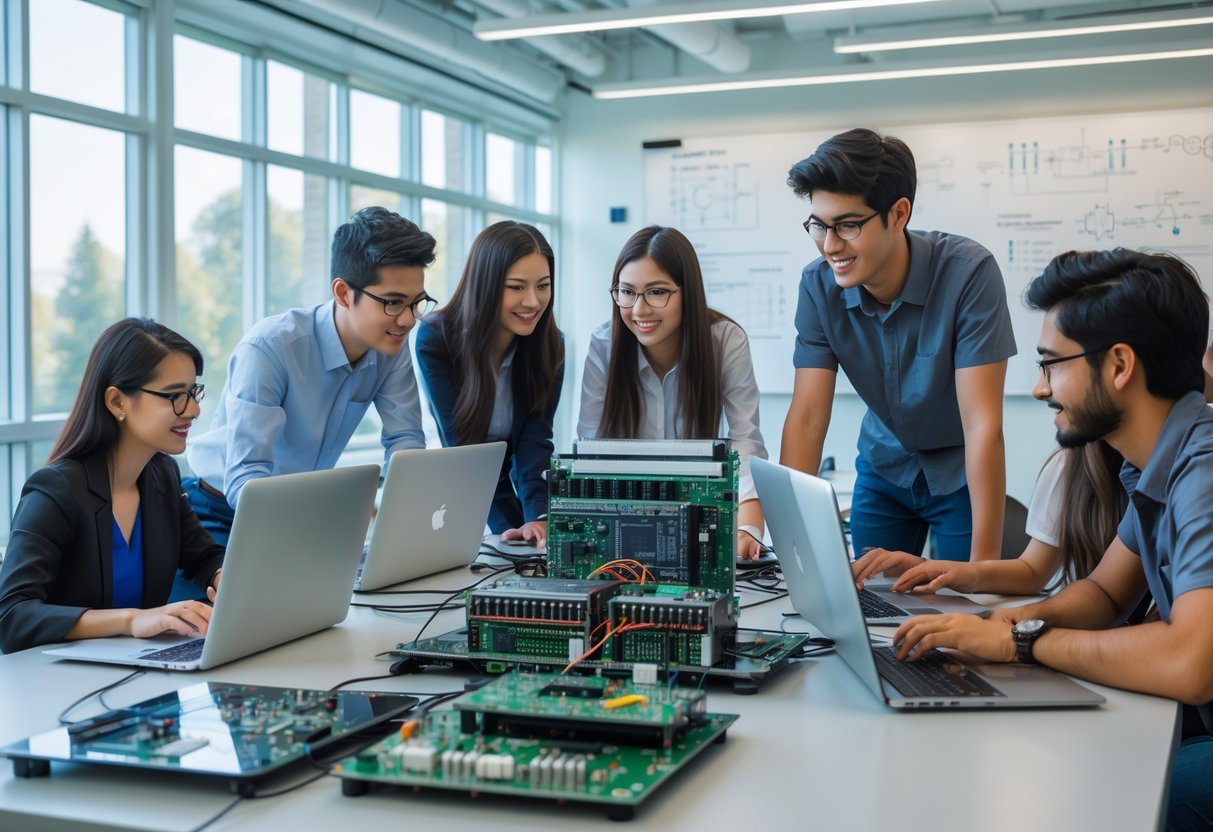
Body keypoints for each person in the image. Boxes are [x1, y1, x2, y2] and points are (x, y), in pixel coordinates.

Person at [887, 248, 1213, 832]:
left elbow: (1190, 664)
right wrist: (1001, 626)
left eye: (1050, 365)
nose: (1039, 390)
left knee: (1113, 798)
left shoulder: (1204, 472)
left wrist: (1022, 645)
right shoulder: (1157, 465)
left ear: (1119, 365)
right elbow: (1104, 594)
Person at [781, 128, 1016, 563]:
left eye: (848, 225)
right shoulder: (818, 287)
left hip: (961, 474)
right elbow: (808, 417)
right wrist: (791, 542)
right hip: (882, 467)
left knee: (963, 612)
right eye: (818, 225)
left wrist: (984, 576)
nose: (830, 246)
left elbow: (982, 424)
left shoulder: (968, 273)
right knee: (871, 608)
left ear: (899, 213)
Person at [184, 207, 436, 547]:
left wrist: (408, 521)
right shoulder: (271, 348)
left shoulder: (390, 346)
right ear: (344, 293)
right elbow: (247, 478)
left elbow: (405, 439)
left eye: (416, 303)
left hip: (294, 509)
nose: (407, 320)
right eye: (393, 303)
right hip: (217, 509)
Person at [0, 319, 223, 654]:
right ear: (117, 401)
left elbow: (202, 556)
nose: (193, 409)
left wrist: (224, 579)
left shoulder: (161, 476)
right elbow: (12, 615)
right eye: (175, 395)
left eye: (193, 392)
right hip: (60, 686)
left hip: (137, 670)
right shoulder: (55, 490)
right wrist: (132, 620)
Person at [577, 225, 770, 560]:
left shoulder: (724, 341)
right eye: (627, 292)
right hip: (623, 520)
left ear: (688, 292)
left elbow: (745, 440)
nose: (639, 310)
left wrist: (748, 528)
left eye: (657, 292)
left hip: (698, 517)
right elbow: (590, 448)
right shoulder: (605, 345)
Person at [414, 221, 564, 545]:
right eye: (516, 287)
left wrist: (537, 518)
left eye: (543, 285)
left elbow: (534, 443)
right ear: (486, 284)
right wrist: (509, 528)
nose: (533, 301)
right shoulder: (437, 340)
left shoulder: (551, 346)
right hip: (456, 490)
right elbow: (466, 450)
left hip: (502, 484)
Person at [852, 441, 1125, 596]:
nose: (1040, 389)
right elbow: (1032, 573)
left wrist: (1013, 636)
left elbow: (1104, 600)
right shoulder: (1069, 465)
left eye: (1054, 367)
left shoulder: (1159, 479)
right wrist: (931, 568)